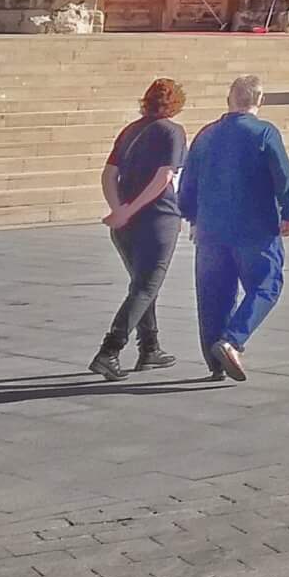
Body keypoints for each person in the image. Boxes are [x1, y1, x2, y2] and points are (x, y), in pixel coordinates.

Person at [178, 73, 289, 382]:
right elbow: (283, 175)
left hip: (211, 228)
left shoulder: (206, 135)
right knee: (266, 285)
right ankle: (232, 340)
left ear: (228, 99)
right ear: (260, 100)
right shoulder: (264, 133)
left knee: (213, 293)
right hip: (255, 227)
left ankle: (214, 360)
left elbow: (188, 180)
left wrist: (191, 216)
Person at [90, 78, 188, 381]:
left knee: (142, 286)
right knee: (146, 286)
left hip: (125, 224)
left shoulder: (131, 130)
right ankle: (110, 350)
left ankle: (150, 347)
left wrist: (119, 209)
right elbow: (163, 178)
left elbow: (108, 174)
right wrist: (131, 210)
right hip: (158, 219)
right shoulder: (172, 131)